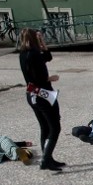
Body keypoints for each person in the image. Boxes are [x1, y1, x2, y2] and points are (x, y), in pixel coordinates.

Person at [19, 28, 63, 171]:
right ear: (34, 39)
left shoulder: (23, 54)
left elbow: (48, 57)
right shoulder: (34, 54)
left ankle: (48, 158)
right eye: (38, 38)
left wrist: (43, 44)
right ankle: (46, 159)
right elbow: (39, 77)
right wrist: (51, 78)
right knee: (55, 127)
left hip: (31, 94)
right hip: (42, 94)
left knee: (45, 127)